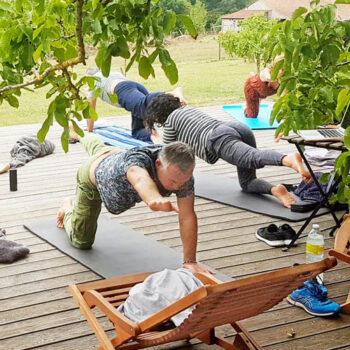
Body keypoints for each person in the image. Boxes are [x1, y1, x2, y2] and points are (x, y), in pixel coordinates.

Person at [56, 132, 209, 274]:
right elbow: (139, 178)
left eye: (182, 183)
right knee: (81, 242)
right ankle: (67, 208)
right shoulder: (137, 161)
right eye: (173, 181)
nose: (177, 187)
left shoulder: (182, 176)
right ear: (158, 164)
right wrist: (153, 197)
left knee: (98, 148)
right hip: (92, 180)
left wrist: (190, 261)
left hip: (113, 153)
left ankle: (81, 133)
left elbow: (187, 216)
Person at [145, 95, 312, 209]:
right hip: (235, 127)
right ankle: (275, 190)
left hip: (217, 137)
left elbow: (166, 152)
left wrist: (156, 141)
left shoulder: (170, 122)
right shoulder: (187, 110)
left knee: (251, 157)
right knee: (247, 183)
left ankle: (288, 159)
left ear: (158, 116)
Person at [86, 68, 186, 144]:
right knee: (138, 131)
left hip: (122, 89)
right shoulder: (109, 72)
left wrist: (90, 131)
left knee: (143, 105)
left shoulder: (92, 81)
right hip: (135, 87)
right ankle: (156, 137)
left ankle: (172, 93)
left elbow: (90, 109)